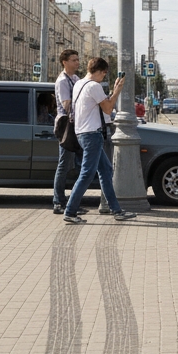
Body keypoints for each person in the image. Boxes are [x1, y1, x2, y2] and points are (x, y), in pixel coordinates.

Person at [65, 57, 137, 224]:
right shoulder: (94, 86)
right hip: (92, 134)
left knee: (105, 171)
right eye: (104, 74)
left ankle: (116, 210)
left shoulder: (79, 84)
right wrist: (117, 90)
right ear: (100, 71)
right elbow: (108, 108)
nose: (103, 77)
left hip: (82, 133)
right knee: (87, 174)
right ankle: (70, 211)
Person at [52, 49, 81, 215]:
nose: (77, 63)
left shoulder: (75, 78)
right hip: (66, 125)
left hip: (76, 124)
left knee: (78, 164)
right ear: (65, 62)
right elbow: (66, 104)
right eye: (74, 60)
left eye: (77, 60)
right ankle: (58, 201)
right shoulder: (63, 81)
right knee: (64, 164)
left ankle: (72, 202)